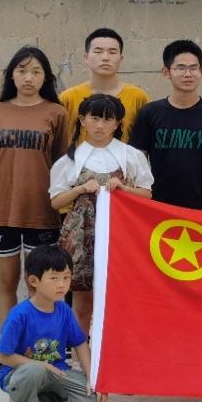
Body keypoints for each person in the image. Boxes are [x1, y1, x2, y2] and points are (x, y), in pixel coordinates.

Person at [0, 45, 70, 327]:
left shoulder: (57, 113)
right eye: (22, 71)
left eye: (36, 71)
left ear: (46, 77)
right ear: (11, 75)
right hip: (2, 209)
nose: (29, 78)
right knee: (6, 282)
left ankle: (38, 344)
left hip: (41, 211)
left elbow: (62, 163)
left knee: (40, 285)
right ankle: (8, 346)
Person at [49, 94, 153, 331]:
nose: (100, 125)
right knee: (82, 302)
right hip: (81, 236)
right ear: (82, 120)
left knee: (120, 298)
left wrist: (125, 189)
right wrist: (80, 189)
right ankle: (81, 350)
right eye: (94, 118)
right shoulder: (69, 160)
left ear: (117, 124)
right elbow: (56, 202)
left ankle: (115, 348)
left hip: (122, 234)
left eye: (107, 120)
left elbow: (147, 194)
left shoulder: (131, 156)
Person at [0, 245, 106, 402]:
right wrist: (43, 365)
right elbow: (3, 356)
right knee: (33, 371)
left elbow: (80, 343)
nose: (61, 284)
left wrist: (93, 378)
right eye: (54, 278)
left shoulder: (64, 311)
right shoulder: (20, 314)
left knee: (94, 401)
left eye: (66, 277)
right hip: (20, 373)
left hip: (57, 373)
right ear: (34, 281)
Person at [129, 39, 202, 211]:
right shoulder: (149, 113)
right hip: (157, 208)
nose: (188, 74)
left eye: (193, 68)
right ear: (166, 72)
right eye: (180, 68)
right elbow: (137, 164)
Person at [59, 28, 150, 144]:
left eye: (112, 52)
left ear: (121, 58)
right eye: (98, 51)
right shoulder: (67, 98)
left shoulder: (138, 97)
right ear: (86, 57)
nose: (105, 57)